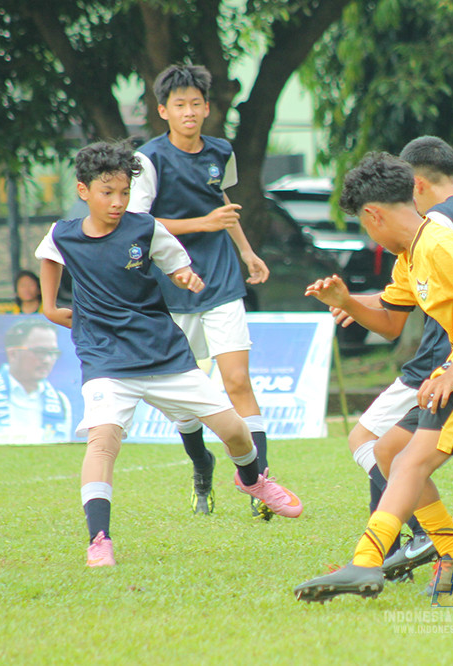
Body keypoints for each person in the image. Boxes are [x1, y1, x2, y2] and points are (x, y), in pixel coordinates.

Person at [34, 140, 301, 567]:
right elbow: (49, 256)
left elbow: (176, 263)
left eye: (124, 192)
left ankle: (252, 480)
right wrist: (49, 306)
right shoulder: (63, 232)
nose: (118, 202)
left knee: (234, 429)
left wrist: (184, 277)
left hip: (163, 352)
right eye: (107, 193)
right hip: (107, 360)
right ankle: (99, 539)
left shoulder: (145, 228)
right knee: (103, 443)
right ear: (83, 191)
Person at [292, 152, 453, 602]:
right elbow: (390, 322)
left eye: (365, 226)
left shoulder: (442, 246)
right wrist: (347, 301)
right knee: (389, 451)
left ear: (374, 214)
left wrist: (451, 372)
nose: (370, 235)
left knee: (410, 461)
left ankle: (365, 563)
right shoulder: (410, 258)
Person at [127, 64, 275, 518]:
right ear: (163, 111)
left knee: (236, 382)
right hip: (172, 283)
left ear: (207, 108)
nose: (189, 112)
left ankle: (260, 486)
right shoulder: (148, 159)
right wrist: (201, 224)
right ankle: (201, 467)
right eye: (179, 105)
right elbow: (139, 224)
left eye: (196, 104)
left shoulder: (221, 152)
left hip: (222, 278)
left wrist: (247, 252)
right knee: (186, 398)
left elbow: (224, 211)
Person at [0, 318, 72, 442]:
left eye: (53, 352)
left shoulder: (60, 402)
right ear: (13, 354)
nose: (47, 360)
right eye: (39, 352)